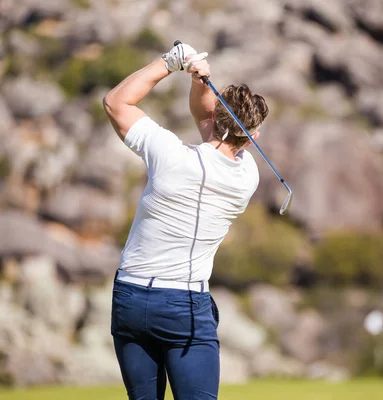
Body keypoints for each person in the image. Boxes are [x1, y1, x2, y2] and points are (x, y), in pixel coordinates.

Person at [102, 42, 269, 400]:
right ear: (252, 138)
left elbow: (116, 102)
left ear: (218, 120)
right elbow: (210, 123)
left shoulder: (168, 154)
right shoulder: (247, 177)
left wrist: (171, 63)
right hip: (183, 305)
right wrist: (200, 84)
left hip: (130, 297)